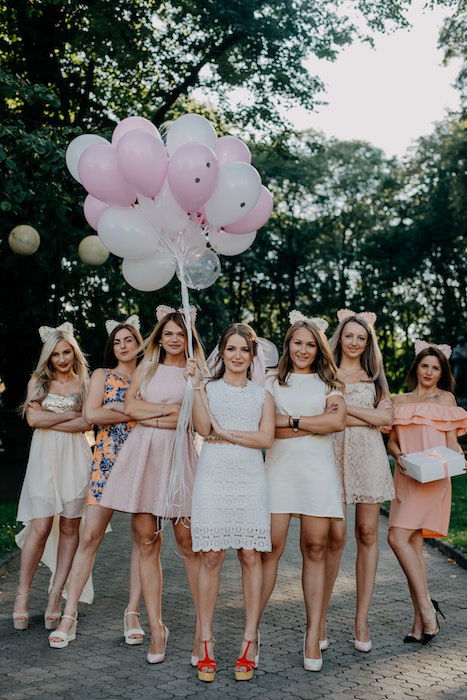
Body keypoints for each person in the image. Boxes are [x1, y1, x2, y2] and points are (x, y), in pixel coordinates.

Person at [99, 306, 205, 664]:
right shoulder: (146, 367)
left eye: (181, 334)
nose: (174, 340)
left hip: (178, 457)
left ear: (189, 337)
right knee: (146, 538)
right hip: (143, 454)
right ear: (159, 336)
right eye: (169, 333)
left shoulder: (196, 371)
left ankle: (201, 630)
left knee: (187, 541)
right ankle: (157, 627)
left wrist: (157, 411)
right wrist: (166, 414)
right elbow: (131, 408)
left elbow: (193, 416)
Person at [49, 317, 146, 648]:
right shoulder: (102, 375)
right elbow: (92, 416)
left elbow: (160, 413)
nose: (122, 345)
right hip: (105, 461)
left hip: (142, 460)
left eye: (129, 340)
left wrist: (115, 408)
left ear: (140, 344)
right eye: (117, 341)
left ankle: (132, 613)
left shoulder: (150, 376)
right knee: (89, 537)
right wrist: (136, 411)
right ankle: (69, 614)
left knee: (143, 540)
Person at [186, 322, 275, 682]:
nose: (237, 356)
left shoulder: (263, 395)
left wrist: (228, 434)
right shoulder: (206, 388)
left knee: (251, 555)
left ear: (253, 355)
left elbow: (266, 438)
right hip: (212, 475)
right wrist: (194, 388)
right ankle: (205, 639)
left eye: (244, 350)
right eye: (231, 349)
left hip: (250, 478)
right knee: (210, 555)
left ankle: (250, 640)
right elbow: (203, 430)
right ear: (221, 352)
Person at [260, 311, 347, 672]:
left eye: (311, 344)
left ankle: (313, 635)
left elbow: (337, 422)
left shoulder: (331, 385)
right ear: (288, 344)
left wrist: (292, 421)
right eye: (298, 342)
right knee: (269, 549)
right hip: (278, 472)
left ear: (319, 349)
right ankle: (253, 631)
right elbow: (265, 428)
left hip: (317, 474)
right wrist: (314, 425)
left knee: (315, 547)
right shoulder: (269, 382)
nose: (304, 349)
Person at [320, 310, 395, 652]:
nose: (354, 342)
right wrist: (365, 417)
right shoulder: (326, 372)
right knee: (334, 538)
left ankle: (361, 620)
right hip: (331, 457)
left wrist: (346, 412)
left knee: (367, 533)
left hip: (368, 459)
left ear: (368, 343)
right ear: (340, 337)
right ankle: (319, 618)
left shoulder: (376, 376)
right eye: (349, 336)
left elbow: (386, 418)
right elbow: (323, 417)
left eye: (361, 338)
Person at [13, 322, 91, 631]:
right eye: (56, 354)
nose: (61, 359)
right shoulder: (38, 382)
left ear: (74, 352)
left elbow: (86, 424)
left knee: (71, 526)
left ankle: (56, 596)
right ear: (49, 357)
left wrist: (53, 419)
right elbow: (32, 418)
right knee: (41, 526)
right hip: (44, 461)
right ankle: (22, 595)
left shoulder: (84, 383)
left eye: (66, 352)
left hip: (75, 460)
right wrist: (70, 415)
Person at [387, 342, 467, 644]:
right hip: (407, 475)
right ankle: (420, 622)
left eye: (435, 367)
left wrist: (459, 460)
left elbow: (451, 442)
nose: (429, 372)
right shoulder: (399, 400)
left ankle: (427, 610)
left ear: (441, 371)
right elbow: (392, 442)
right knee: (414, 550)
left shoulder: (445, 399)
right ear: (416, 368)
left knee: (395, 537)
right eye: (425, 366)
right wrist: (400, 457)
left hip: (433, 476)